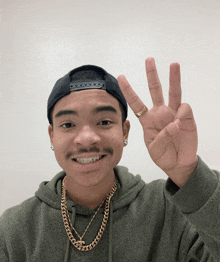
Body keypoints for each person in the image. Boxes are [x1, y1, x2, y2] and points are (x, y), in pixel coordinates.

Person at [0, 58, 219, 262]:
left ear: (125, 132)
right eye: (68, 124)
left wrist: (190, 175)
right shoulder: (14, 229)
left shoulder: (171, 209)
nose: (86, 138)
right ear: (52, 136)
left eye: (104, 122)